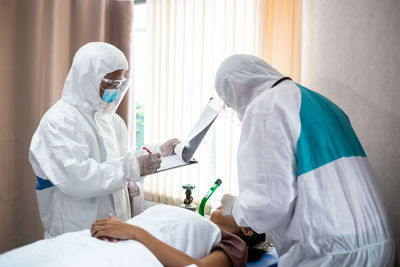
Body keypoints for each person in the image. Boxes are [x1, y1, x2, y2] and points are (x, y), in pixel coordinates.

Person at [215, 55, 396, 266]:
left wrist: (237, 209)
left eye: (229, 102)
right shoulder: (320, 102)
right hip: (378, 244)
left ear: (234, 89)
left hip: (331, 254)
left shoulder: (266, 107)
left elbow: (270, 203)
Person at [29, 42, 180, 238]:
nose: (115, 90)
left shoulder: (109, 119)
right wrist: (134, 167)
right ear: (88, 78)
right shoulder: (59, 121)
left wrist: (156, 152)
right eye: (110, 83)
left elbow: (119, 160)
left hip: (115, 224)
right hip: (76, 227)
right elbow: (79, 179)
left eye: (119, 83)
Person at [90, 205, 267, 267]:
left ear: (247, 230)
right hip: (103, 242)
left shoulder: (234, 244)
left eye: (234, 205)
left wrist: (133, 231)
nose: (223, 203)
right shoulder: (196, 221)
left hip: (130, 254)